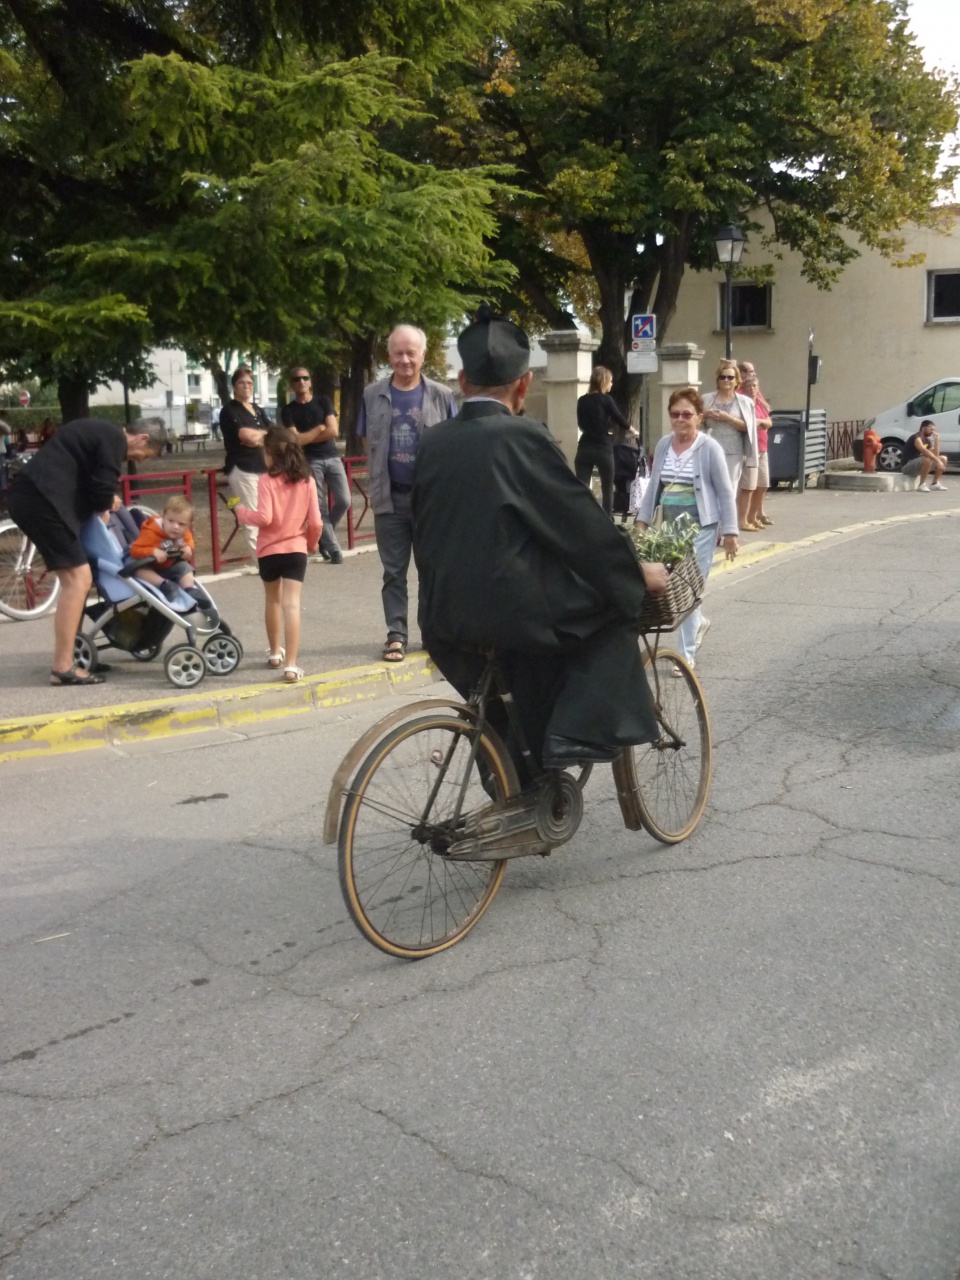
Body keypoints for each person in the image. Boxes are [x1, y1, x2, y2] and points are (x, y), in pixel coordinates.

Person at [412, 306, 669, 777]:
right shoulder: (523, 437)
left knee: (517, 670)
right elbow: (580, 529)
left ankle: (518, 776)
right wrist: (633, 572)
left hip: (441, 614)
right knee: (614, 609)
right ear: (524, 384)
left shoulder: (432, 442)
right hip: (511, 612)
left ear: (462, 380)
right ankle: (573, 737)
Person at [6, 416, 167, 685]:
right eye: (145, 455)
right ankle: (63, 667)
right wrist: (106, 505)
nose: (140, 460)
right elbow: (102, 489)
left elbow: (88, 480)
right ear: (143, 438)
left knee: (80, 577)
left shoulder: (101, 431)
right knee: (78, 580)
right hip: (42, 501)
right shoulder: (114, 439)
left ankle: (72, 656)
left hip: (35, 497)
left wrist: (104, 501)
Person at [356, 324, 456, 662]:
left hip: (430, 500)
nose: (405, 359)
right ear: (389, 356)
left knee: (432, 569)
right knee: (394, 571)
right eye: (398, 353)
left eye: (411, 352)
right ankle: (396, 634)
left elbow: (454, 443)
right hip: (390, 498)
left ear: (423, 355)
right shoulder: (372, 395)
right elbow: (368, 442)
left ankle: (432, 632)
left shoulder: (442, 395)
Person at [635, 387, 739, 669]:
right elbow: (654, 487)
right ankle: (700, 623)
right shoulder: (664, 444)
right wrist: (642, 523)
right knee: (673, 586)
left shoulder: (710, 448)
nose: (680, 419)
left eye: (686, 414)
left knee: (688, 586)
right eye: (675, 414)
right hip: (670, 528)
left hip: (701, 528)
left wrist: (730, 532)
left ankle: (685, 655)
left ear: (699, 417)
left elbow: (725, 493)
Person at [232, 426, 323, 684]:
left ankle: (274, 653)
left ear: (271, 453)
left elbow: (264, 518)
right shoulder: (307, 481)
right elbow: (315, 522)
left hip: (269, 550)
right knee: (292, 604)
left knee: (272, 601)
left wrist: (241, 512)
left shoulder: (265, 481)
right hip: (296, 548)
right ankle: (292, 666)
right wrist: (311, 543)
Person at [280, 366, 351, 564]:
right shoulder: (289, 411)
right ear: (292, 384)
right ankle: (335, 550)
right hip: (310, 462)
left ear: (310, 382)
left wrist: (306, 436)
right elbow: (295, 441)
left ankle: (323, 538)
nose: (301, 381)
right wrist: (320, 428)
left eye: (305, 378)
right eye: (296, 379)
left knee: (345, 500)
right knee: (319, 508)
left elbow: (334, 431)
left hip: (333, 457)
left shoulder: (323, 401)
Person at [218, 365, 271, 555]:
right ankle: (261, 561)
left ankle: (270, 554)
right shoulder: (230, 410)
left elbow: (274, 434)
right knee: (251, 515)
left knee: (268, 514)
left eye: (250, 382)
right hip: (243, 468)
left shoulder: (257, 409)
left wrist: (259, 437)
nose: (246, 386)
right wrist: (259, 437)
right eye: (241, 383)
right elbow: (246, 437)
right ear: (234, 386)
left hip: (263, 467)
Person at [702, 361, 758, 531]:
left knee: (728, 491)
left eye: (730, 377)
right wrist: (705, 414)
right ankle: (712, 528)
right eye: (723, 377)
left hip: (732, 450)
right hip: (709, 450)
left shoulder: (744, 402)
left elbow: (748, 427)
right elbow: (695, 420)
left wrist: (728, 418)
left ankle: (725, 529)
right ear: (717, 379)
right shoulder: (706, 399)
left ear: (737, 380)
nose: (726, 380)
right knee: (710, 491)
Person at [574, 366, 630, 517]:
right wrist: (632, 430)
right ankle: (607, 521)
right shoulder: (606, 399)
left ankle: (582, 517)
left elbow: (580, 424)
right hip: (603, 448)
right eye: (610, 381)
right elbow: (619, 418)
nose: (611, 384)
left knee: (582, 487)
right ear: (603, 381)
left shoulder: (582, 400)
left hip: (584, 447)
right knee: (607, 488)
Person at [128, 495, 198, 600]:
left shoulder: (184, 532)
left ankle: (190, 590)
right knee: (139, 570)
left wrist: (188, 547)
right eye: (171, 521)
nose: (175, 527)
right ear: (163, 517)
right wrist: (153, 551)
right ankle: (164, 585)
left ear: (188, 525)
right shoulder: (151, 532)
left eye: (181, 524)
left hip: (169, 566)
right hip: (151, 567)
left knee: (185, 567)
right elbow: (134, 550)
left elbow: (189, 539)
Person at [737, 359, 774, 526]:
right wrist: (760, 422)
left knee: (763, 484)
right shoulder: (740, 397)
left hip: (763, 446)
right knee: (748, 486)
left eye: (753, 373)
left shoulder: (758, 399)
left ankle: (755, 515)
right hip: (749, 448)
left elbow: (768, 420)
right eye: (750, 372)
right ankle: (744, 518)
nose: (752, 376)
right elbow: (746, 421)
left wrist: (760, 421)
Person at [901, 419, 947, 491]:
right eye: (931, 429)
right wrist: (938, 461)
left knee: (943, 458)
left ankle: (934, 484)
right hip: (907, 466)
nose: (933, 432)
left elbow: (936, 454)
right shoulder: (916, 438)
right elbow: (924, 451)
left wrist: (936, 440)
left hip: (920, 465)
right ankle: (921, 484)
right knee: (927, 459)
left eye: (934, 430)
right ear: (923, 428)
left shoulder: (927, 440)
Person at [613, 426, 641, 523]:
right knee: (626, 489)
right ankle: (624, 509)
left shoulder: (618, 445)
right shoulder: (629, 447)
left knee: (622, 488)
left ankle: (621, 508)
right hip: (626, 466)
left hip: (621, 467)